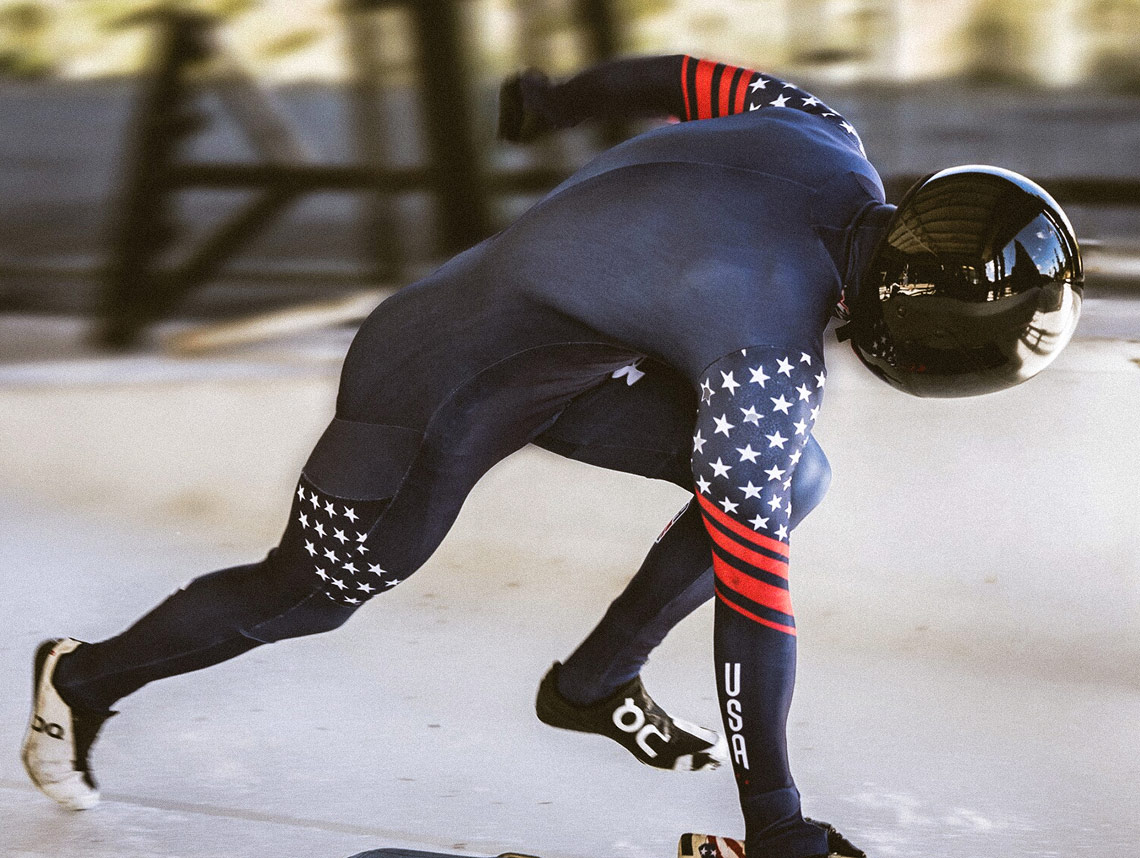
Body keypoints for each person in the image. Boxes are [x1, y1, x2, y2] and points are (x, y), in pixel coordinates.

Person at [22, 54, 1082, 858]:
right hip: (433, 379)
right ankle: (87, 678)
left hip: (573, 359)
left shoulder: (824, 131)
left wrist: (557, 101)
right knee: (317, 591)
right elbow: (758, 601)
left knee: (790, 479)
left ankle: (591, 684)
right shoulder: (763, 351)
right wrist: (777, 822)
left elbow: (691, 77)